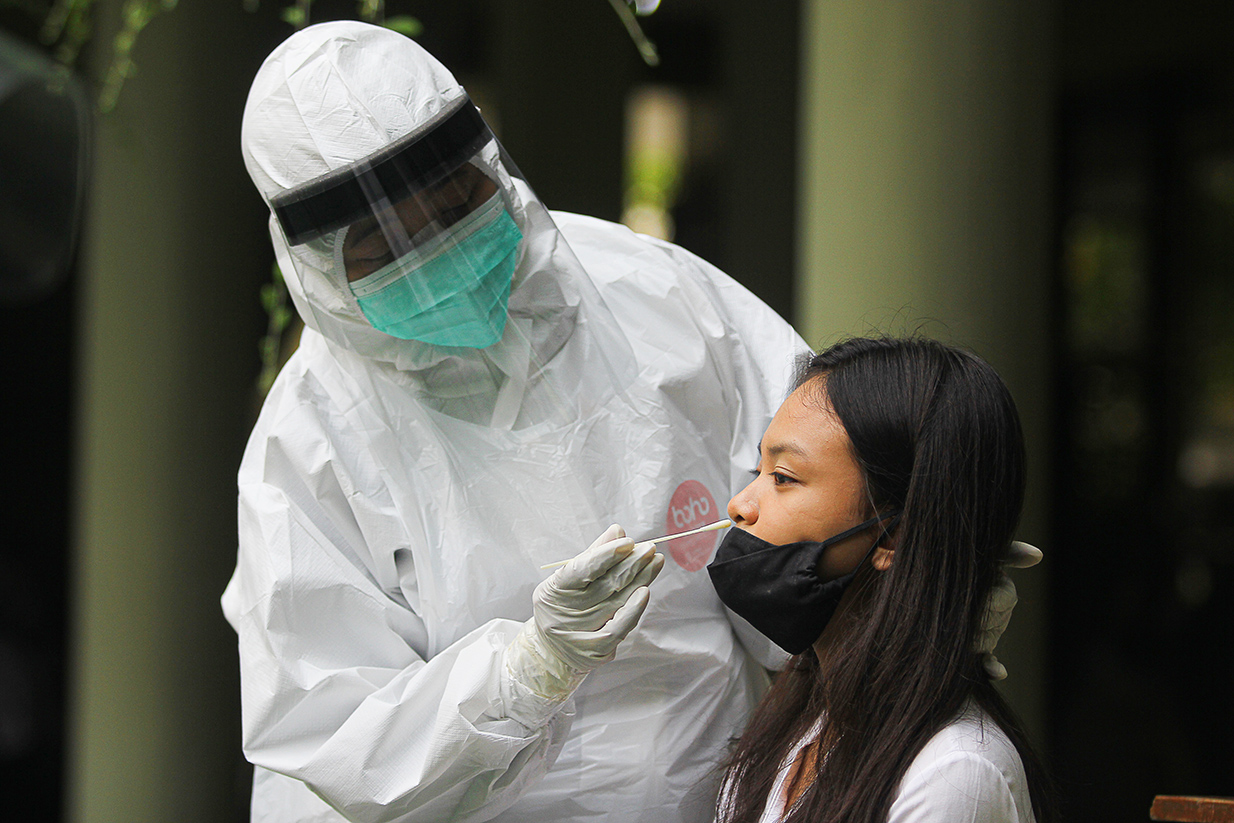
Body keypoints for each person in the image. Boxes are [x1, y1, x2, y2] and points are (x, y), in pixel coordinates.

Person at [223, 19, 808, 823]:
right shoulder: (311, 441)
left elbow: (824, 473)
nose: (436, 252)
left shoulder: (650, 292)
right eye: (385, 244)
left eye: (455, 204)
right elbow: (330, 732)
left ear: (490, 169)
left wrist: (888, 599)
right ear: (316, 265)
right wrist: (529, 669)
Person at [707, 336, 1055, 823]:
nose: (739, 505)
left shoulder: (954, 774)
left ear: (894, 535)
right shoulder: (804, 723)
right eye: (757, 469)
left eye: (783, 476)